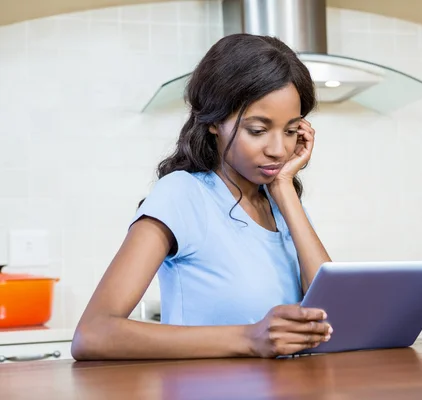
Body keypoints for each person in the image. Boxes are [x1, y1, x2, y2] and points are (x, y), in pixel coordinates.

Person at [71, 33, 333, 360]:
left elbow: (329, 315)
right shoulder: (183, 193)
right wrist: (250, 338)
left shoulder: (283, 205)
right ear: (214, 121)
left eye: (291, 130)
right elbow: (92, 334)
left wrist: (284, 189)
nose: (279, 150)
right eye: (257, 130)